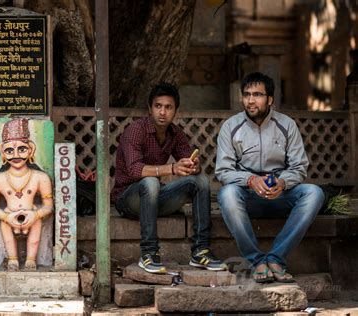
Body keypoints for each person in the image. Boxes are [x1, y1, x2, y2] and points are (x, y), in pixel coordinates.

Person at [215, 72, 324, 283]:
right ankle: (257, 261)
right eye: (246, 95)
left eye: (257, 94)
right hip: (247, 197)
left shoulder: (287, 125)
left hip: (280, 195)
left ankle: (275, 259)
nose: (250, 100)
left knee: (314, 193)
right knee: (227, 194)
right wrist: (250, 180)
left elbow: (299, 167)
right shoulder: (231, 127)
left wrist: (283, 183)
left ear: (270, 99)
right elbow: (223, 171)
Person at [112, 82, 225, 274]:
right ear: (150, 108)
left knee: (201, 181)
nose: (162, 112)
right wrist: (172, 168)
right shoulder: (135, 130)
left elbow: (189, 162)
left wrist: (193, 166)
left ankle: (200, 251)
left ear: (175, 111)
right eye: (158, 106)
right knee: (150, 181)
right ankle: (149, 254)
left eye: (168, 107)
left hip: (156, 200)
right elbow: (134, 170)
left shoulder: (175, 133)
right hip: (128, 200)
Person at [0, 118, 53, 271]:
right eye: (9, 150)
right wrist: (6, 216)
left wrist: (35, 215)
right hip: (9, 216)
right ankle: (13, 259)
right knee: (6, 228)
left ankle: (31, 259)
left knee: (36, 226)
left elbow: (48, 206)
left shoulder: (40, 177)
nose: (16, 155)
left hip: (32, 215)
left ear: (31, 149)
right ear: (2, 151)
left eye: (21, 149)